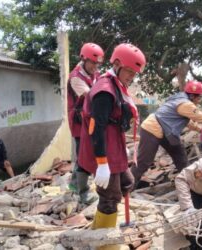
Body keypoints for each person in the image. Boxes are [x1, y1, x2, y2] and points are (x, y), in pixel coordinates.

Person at [78, 43, 146, 244]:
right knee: (110, 196)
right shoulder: (105, 90)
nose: (131, 77)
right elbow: (96, 128)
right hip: (102, 148)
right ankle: (104, 243)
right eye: (129, 71)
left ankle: (99, 230)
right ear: (117, 64)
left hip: (113, 144)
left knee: (127, 182)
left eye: (135, 73)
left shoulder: (117, 85)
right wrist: (101, 163)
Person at [131, 80, 202, 187]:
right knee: (143, 162)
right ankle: (125, 189)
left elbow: (187, 121)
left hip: (165, 130)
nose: (199, 101)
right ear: (192, 96)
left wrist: (200, 130)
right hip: (152, 129)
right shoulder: (186, 104)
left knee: (180, 156)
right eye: (199, 98)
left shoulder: (179, 100)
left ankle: (190, 186)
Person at [67, 43, 104, 205]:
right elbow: (91, 96)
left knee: (81, 153)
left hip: (88, 118)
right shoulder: (76, 77)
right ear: (84, 59)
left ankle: (74, 185)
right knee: (84, 155)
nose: (95, 67)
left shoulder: (94, 74)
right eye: (92, 63)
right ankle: (83, 194)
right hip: (79, 120)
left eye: (98, 64)